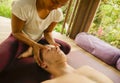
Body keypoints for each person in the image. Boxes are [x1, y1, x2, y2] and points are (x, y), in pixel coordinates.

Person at [0, 0, 70, 72]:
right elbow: (16, 32)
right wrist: (33, 44)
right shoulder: (23, 5)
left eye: (62, 5)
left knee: (66, 47)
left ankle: (32, 51)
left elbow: (47, 32)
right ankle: (32, 51)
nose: (56, 7)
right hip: (19, 38)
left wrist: (52, 43)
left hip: (38, 40)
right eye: (54, 2)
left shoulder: (57, 13)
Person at [38, 45, 113, 83]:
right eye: (49, 49)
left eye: (55, 46)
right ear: (43, 64)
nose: (57, 48)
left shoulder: (86, 68)